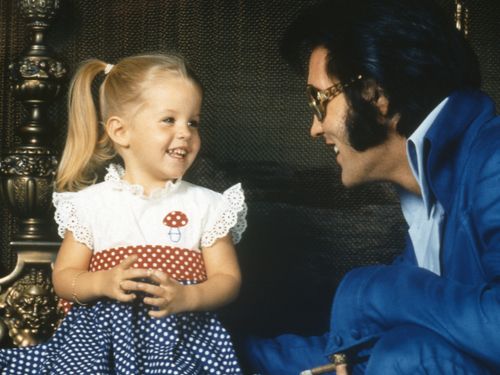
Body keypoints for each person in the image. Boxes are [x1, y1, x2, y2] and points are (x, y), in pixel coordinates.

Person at [243, 0, 500, 374]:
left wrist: (373, 291)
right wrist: (220, 354)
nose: (315, 128)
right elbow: (354, 350)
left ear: (374, 94)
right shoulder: (428, 200)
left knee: (405, 354)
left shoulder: (493, 159)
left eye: (319, 100)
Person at [0, 53, 247, 374]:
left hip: (179, 334)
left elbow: (227, 279)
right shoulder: (91, 205)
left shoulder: (208, 205)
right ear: (121, 131)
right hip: (100, 339)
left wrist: (189, 296)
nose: (186, 132)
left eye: (193, 121)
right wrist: (102, 282)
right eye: (169, 120)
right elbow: (64, 278)